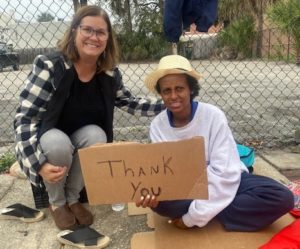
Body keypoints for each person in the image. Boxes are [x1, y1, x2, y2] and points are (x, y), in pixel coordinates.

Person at [14, 5, 164, 231]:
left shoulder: (109, 72)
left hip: (80, 137)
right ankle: (57, 203)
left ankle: (73, 198)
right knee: (58, 143)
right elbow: (24, 119)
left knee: (97, 135)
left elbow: (129, 102)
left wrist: (167, 105)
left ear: (108, 38)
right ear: (74, 31)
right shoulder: (50, 66)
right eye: (87, 30)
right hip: (49, 138)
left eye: (101, 32)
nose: (94, 37)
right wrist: (38, 164)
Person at [136, 54, 294, 231]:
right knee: (161, 204)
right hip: (186, 189)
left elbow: (225, 173)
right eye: (166, 90)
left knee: (282, 197)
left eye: (179, 88)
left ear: (191, 89)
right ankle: (218, 210)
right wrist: (153, 193)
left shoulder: (213, 116)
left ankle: (208, 212)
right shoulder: (158, 125)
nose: (173, 96)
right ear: (161, 94)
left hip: (226, 180)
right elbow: (165, 176)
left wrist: (191, 218)